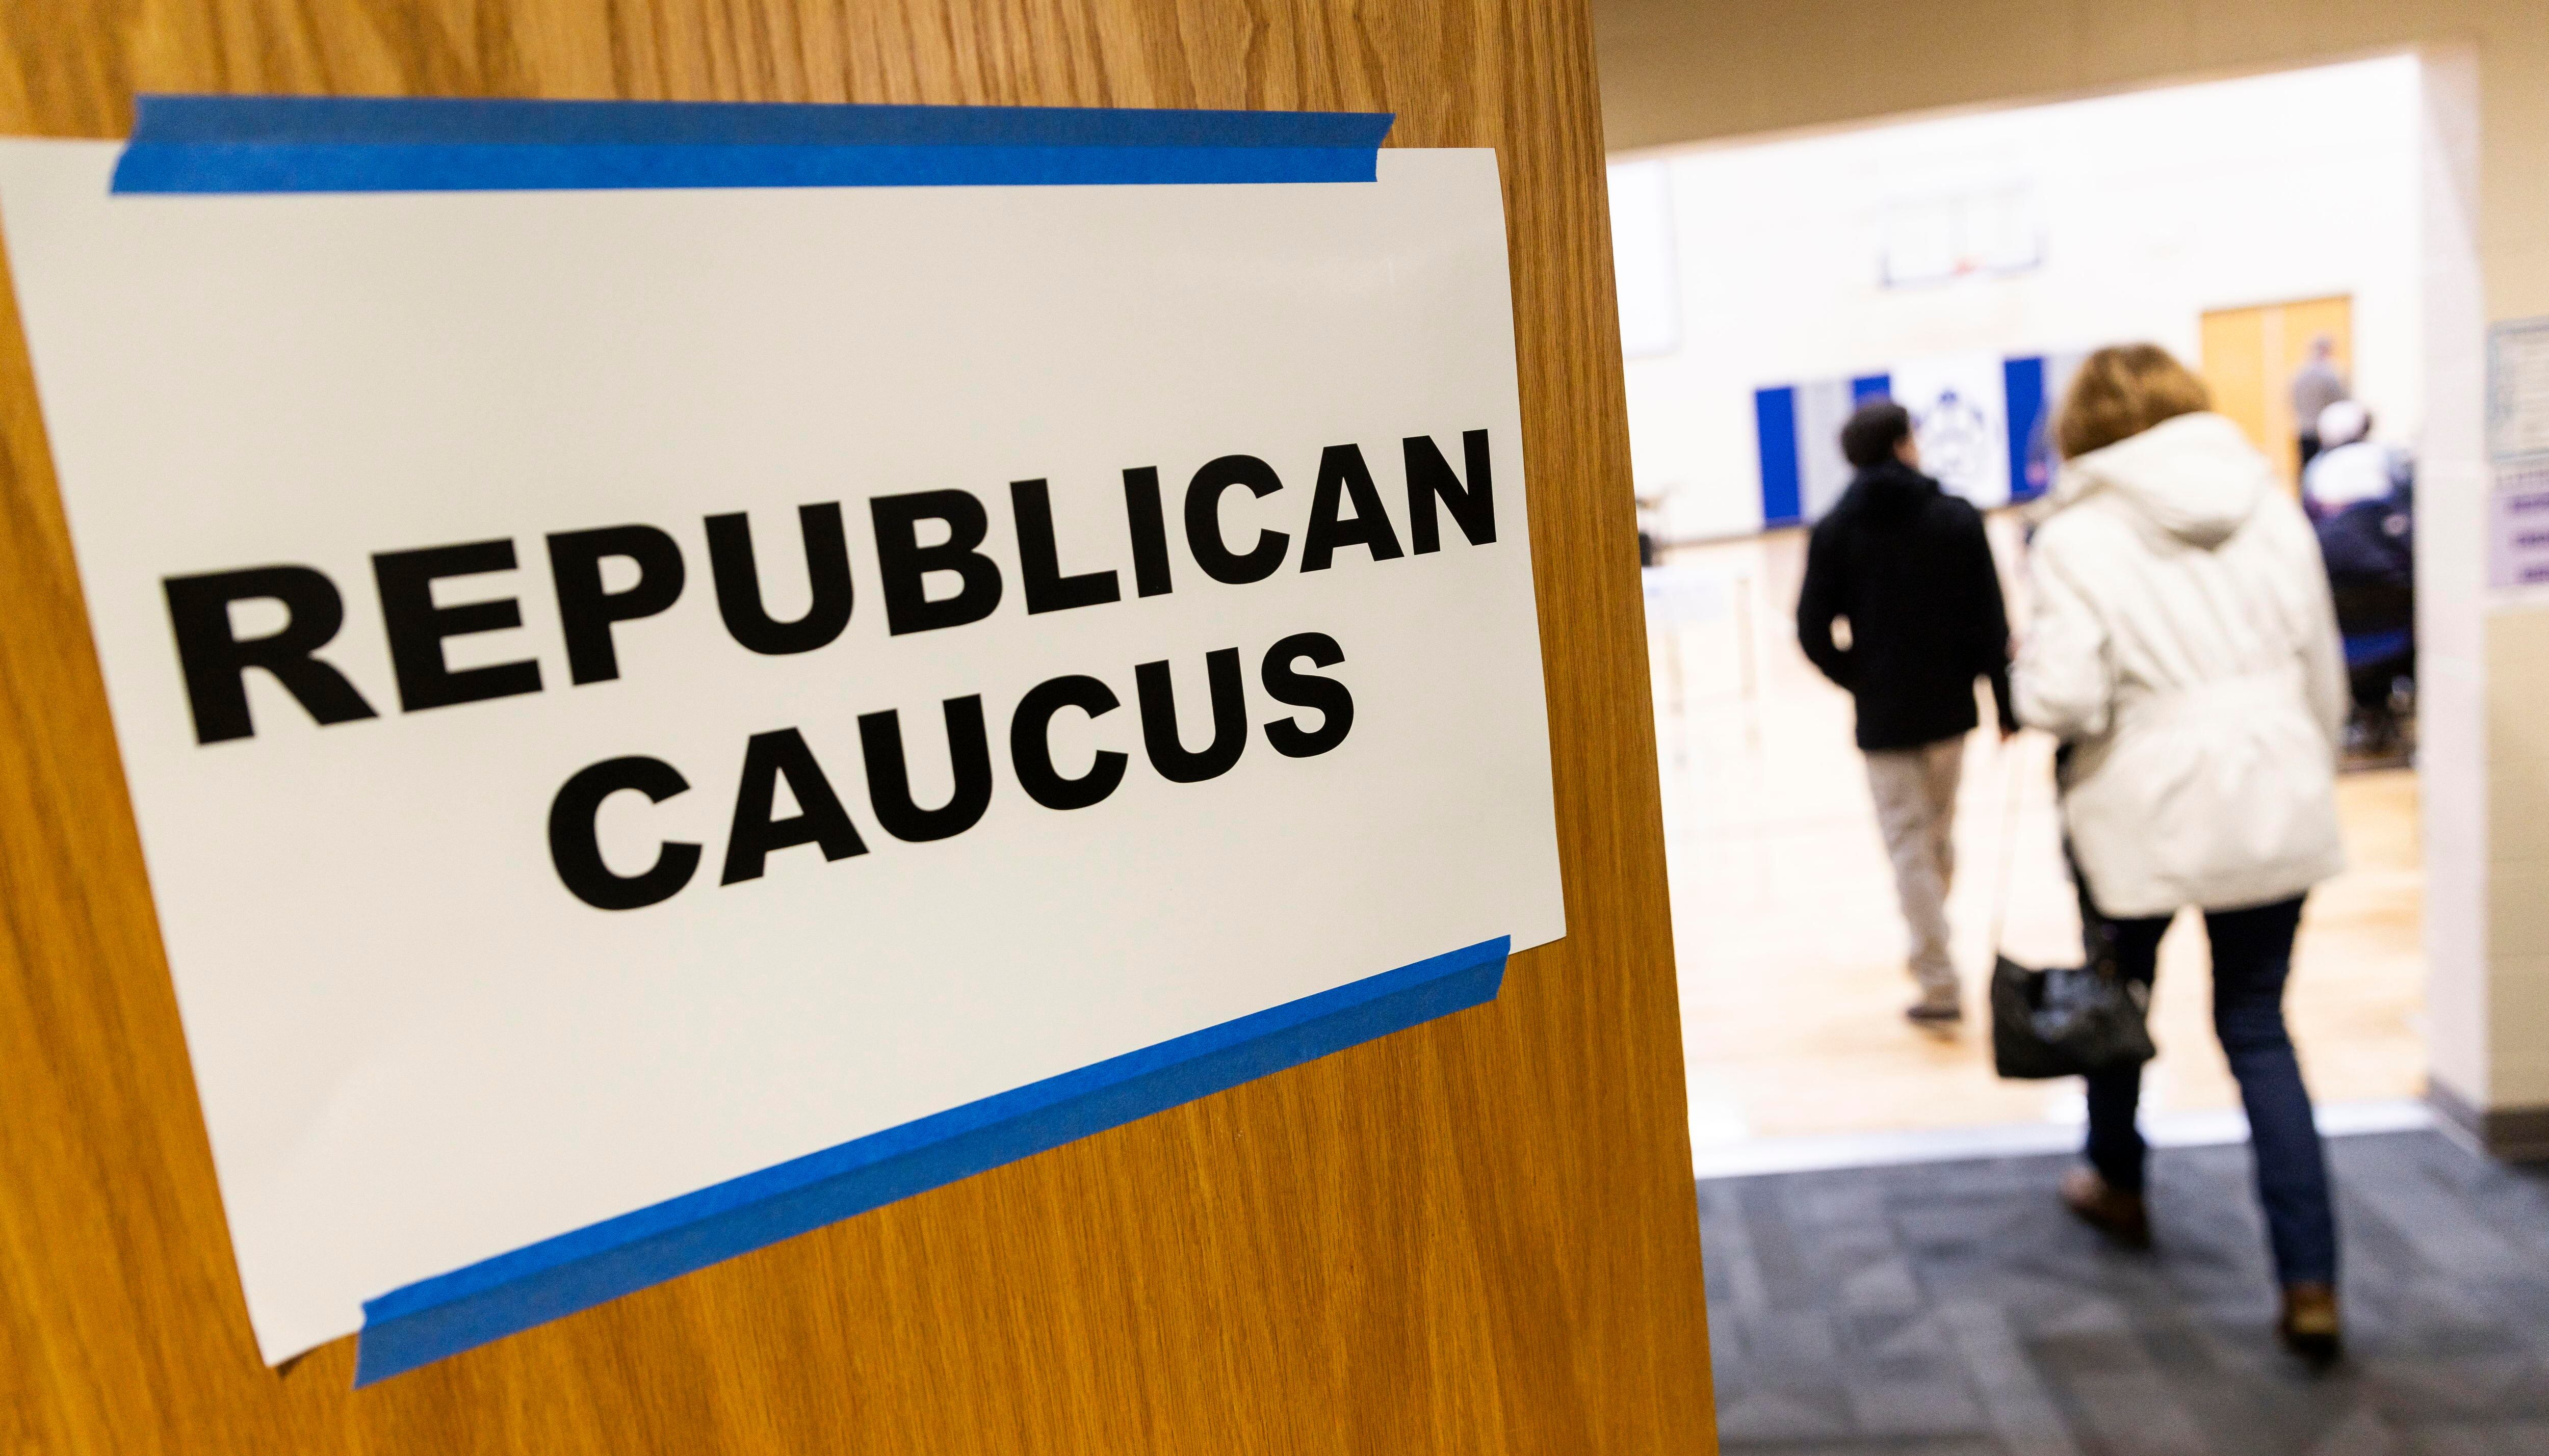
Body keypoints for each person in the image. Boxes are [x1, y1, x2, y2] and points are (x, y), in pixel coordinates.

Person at [2013, 343, 2349, 1364]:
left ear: (2082, 428)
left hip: (2137, 805)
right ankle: (2310, 1283)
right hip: (2273, 787)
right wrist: (2306, 765)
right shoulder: (2270, 505)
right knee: (2257, 1027)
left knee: (2118, 1007)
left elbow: (2063, 697)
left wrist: (2025, 685)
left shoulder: (2076, 535)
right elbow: (2321, 670)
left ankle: (2117, 1185)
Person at [1797, 400, 2018, 1028]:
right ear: (1901, 444)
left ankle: (1935, 968)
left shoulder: (1834, 529)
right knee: (1935, 841)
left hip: (1885, 718)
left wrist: (1857, 679)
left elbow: (1811, 630)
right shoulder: (1955, 516)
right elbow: (1990, 620)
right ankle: (1937, 961)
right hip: (1950, 710)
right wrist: (2004, 704)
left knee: (1911, 849)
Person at [2290, 335, 2348, 471]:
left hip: (2304, 431)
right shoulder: (2331, 375)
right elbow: (2341, 404)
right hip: (2327, 433)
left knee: (2308, 472)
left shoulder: (2299, 375)